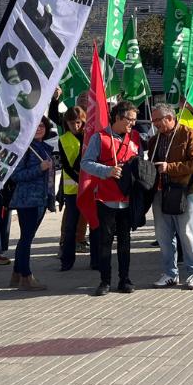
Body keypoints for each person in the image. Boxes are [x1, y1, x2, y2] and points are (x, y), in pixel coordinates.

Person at [81, 100, 141, 296]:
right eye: (129, 120)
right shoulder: (100, 138)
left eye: (134, 120)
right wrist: (107, 170)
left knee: (125, 242)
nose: (132, 123)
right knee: (105, 241)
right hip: (106, 199)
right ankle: (104, 280)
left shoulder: (135, 138)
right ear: (118, 117)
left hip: (127, 199)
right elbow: (86, 163)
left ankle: (125, 279)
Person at [148, 103, 193, 289]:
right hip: (160, 191)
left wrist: (170, 168)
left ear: (170, 118)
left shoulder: (189, 134)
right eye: (153, 120)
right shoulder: (154, 140)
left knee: (188, 234)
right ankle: (170, 273)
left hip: (184, 191)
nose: (155, 123)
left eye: (158, 119)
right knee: (163, 236)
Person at [9, 117, 55, 290]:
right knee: (26, 238)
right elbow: (16, 175)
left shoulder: (44, 147)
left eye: (42, 125)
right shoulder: (25, 149)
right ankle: (26, 275)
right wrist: (39, 169)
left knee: (26, 238)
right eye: (35, 125)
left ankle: (16, 273)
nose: (39, 128)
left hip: (41, 199)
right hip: (27, 200)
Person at [56, 106, 86, 271]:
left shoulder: (88, 137)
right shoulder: (63, 139)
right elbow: (66, 166)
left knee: (93, 224)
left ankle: (95, 261)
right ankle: (66, 261)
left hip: (89, 187)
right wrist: (78, 179)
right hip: (72, 189)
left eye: (78, 122)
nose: (75, 126)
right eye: (71, 123)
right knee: (70, 226)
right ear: (66, 123)